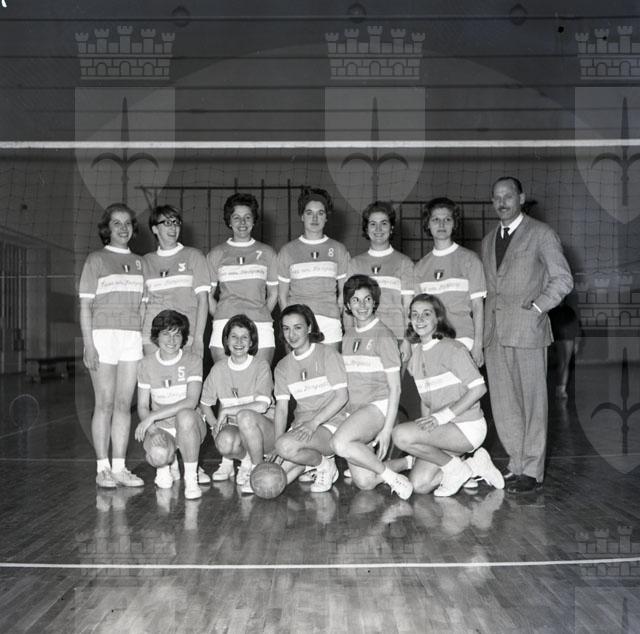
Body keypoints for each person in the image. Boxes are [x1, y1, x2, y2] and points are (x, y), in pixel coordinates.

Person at [482, 176, 573, 493]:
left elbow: (563, 279)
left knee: (533, 403)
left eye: (508, 196)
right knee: (504, 405)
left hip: (528, 331)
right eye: (496, 197)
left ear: (521, 198)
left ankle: (533, 470)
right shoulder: (487, 240)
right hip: (494, 334)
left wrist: (538, 307)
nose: (502, 202)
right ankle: (516, 463)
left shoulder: (542, 233)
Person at [392, 294, 505, 497]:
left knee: (400, 435)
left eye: (426, 314)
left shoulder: (453, 348)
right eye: (414, 314)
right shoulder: (416, 355)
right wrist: (426, 432)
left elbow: (479, 389)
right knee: (420, 484)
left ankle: (456, 469)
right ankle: (475, 465)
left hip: (467, 427)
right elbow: (427, 402)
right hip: (444, 429)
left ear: (438, 319)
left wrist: (440, 418)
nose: (419, 319)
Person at [79, 202, 145, 489]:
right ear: (107, 229)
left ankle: (119, 468)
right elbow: (85, 306)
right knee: (104, 403)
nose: (123, 228)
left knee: (123, 404)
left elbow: (143, 308)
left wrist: (143, 340)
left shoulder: (141, 263)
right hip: (103, 337)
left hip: (131, 338)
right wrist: (89, 344)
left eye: (127, 223)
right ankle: (102, 468)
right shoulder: (96, 259)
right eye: (116, 223)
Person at [332, 275, 413, 499]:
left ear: (374, 302)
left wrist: (386, 430)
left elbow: (395, 388)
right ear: (347, 305)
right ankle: (409, 462)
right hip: (355, 411)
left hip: (379, 407)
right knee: (365, 482)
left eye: (367, 299)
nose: (362, 305)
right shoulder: (348, 336)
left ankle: (391, 478)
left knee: (339, 443)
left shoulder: (384, 335)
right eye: (355, 300)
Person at [273, 304, 349, 492]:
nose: (291, 334)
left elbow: (342, 397)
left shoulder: (328, 354)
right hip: (302, 427)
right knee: (274, 481)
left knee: (286, 447)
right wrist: (276, 442)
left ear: (309, 327)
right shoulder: (282, 366)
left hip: (331, 424)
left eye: (297, 327)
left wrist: (313, 424)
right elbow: (281, 409)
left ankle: (325, 465)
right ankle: (311, 462)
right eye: (286, 328)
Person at [199, 315, 276, 494]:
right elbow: (204, 404)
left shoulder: (261, 366)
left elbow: (261, 406)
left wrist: (226, 411)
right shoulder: (218, 369)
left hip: (265, 433)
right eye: (234, 336)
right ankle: (246, 460)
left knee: (245, 416)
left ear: (251, 342)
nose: (239, 342)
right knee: (224, 442)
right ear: (226, 340)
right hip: (238, 430)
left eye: (244, 337)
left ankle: (257, 471)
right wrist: (214, 426)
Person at [134, 310, 205, 500]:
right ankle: (167, 463)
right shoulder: (145, 364)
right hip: (162, 428)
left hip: (190, 426)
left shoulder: (193, 360)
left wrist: (152, 417)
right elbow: (142, 406)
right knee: (158, 455)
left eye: (177, 334)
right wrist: (153, 430)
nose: (172, 340)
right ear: (156, 337)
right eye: (166, 334)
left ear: (183, 338)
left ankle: (191, 479)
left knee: (185, 415)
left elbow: (191, 401)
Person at [413, 197, 486, 367]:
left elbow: (478, 307)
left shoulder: (470, 260)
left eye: (447, 219)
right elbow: (417, 314)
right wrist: (416, 347)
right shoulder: (420, 267)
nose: (441, 224)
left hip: (463, 340)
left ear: (454, 224)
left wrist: (478, 345)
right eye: (435, 220)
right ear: (427, 224)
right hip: (430, 342)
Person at [207, 193, 278, 365]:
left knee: (260, 378)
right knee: (224, 379)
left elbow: (274, 293)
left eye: (247, 217)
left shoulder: (268, 253)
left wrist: (259, 312)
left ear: (254, 220)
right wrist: (223, 315)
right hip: (224, 323)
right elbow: (207, 296)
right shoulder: (216, 254)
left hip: (260, 324)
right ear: (229, 221)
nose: (242, 222)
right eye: (236, 218)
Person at [277, 187, 350, 349]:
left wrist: (334, 315)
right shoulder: (287, 251)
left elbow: (343, 294)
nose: (315, 218)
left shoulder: (338, 249)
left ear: (326, 217)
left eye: (320, 213)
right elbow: (282, 297)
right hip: (298, 323)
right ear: (302, 216)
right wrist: (292, 323)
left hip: (329, 321)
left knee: (330, 365)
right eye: (309, 213)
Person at [142, 205, 210, 358]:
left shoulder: (194, 256)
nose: (173, 227)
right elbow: (143, 306)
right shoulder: (145, 261)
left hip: (185, 335)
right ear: (154, 229)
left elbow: (203, 300)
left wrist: (198, 339)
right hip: (152, 337)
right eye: (167, 223)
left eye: (176, 222)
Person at [347, 201, 414, 343]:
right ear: (366, 228)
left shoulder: (404, 262)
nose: (378, 229)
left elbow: (408, 307)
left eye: (384, 223)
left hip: (396, 337)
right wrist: (349, 339)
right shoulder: (354, 264)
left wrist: (407, 342)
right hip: (363, 338)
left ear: (391, 228)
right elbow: (348, 309)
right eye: (373, 224)